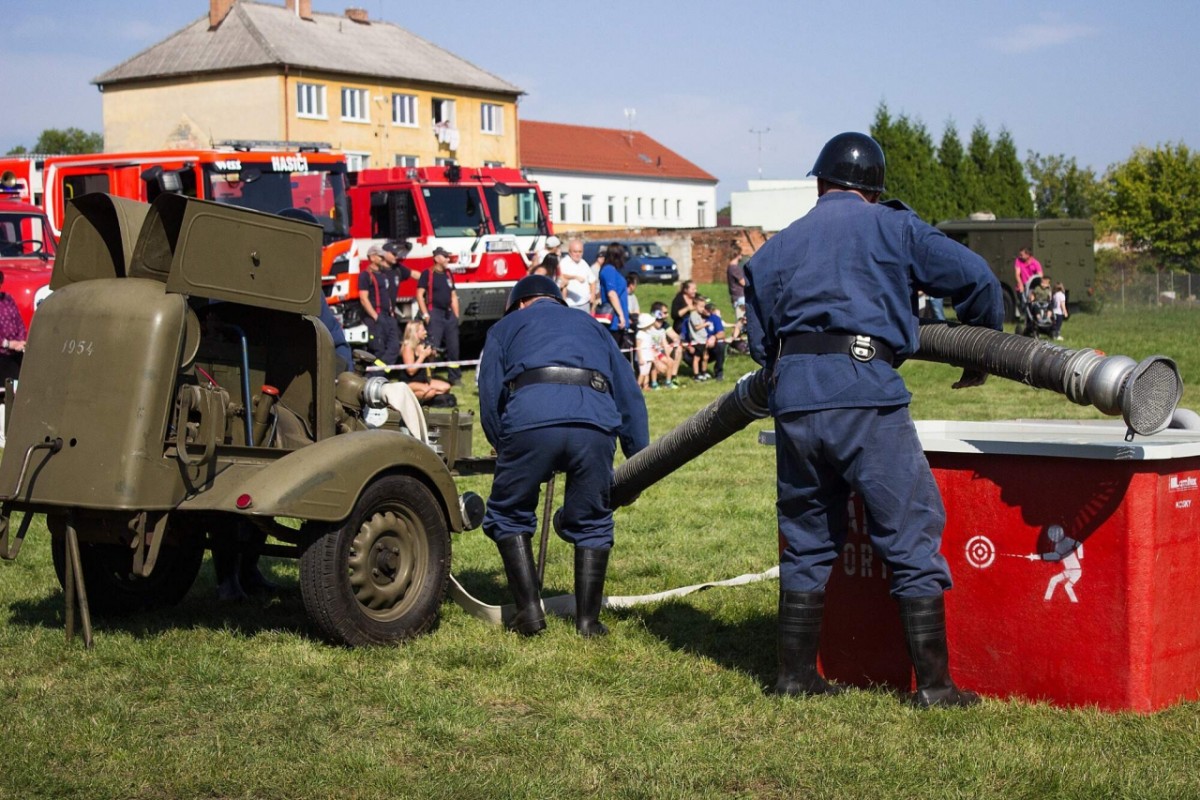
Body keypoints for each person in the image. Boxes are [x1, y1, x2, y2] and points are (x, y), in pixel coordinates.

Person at [745, 131, 1003, 708]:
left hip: (795, 397)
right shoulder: (894, 226)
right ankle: (934, 687)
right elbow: (978, 280)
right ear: (875, 188)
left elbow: (761, 339)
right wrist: (984, 350)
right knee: (909, 531)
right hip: (865, 394)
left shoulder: (777, 247)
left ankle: (794, 677)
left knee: (807, 536)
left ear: (820, 182)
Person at [478, 274, 649, 637]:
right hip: (595, 421)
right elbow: (630, 394)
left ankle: (529, 614)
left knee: (508, 513)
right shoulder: (593, 324)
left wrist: (504, 443)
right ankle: (588, 622)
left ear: (520, 304)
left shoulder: (506, 326)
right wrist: (638, 462)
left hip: (530, 417)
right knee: (592, 520)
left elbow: (490, 394)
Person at [416, 246, 461, 385]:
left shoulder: (448, 274)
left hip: (448, 314)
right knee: (432, 347)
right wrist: (425, 314)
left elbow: (453, 295)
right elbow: (419, 295)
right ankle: (429, 376)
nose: (448, 259)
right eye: (445, 256)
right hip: (434, 313)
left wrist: (456, 315)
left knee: (454, 347)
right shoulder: (427, 274)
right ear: (436, 258)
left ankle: (455, 377)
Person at [359, 244, 400, 370]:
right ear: (372, 257)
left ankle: (378, 371)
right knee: (379, 348)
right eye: (380, 256)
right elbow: (363, 298)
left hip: (388, 315)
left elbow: (386, 294)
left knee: (394, 346)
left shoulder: (383, 274)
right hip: (376, 317)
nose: (383, 259)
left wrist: (391, 312)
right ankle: (375, 375)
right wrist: (375, 317)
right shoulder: (365, 276)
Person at [398, 317, 454, 402]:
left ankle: (426, 398)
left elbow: (429, 368)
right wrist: (423, 356)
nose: (426, 332)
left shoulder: (422, 345)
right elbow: (411, 371)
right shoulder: (407, 348)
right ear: (415, 333)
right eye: (423, 330)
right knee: (429, 391)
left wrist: (431, 356)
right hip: (409, 382)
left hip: (423, 379)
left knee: (446, 387)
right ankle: (406, 400)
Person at [598, 243, 632, 351]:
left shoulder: (613, 270)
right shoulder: (608, 270)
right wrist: (621, 315)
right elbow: (611, 294)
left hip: (619, 317)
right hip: (614, 320)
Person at [0, 272, 28, 387]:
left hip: (16, 351)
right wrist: (7, 344)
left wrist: (20, 341)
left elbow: (19, 321)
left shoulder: (7, 299)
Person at [558, 238, 596, 312]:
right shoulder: (564, 263)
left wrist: (593, 295)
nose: (578, 254)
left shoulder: (583, 263)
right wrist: (574, 277)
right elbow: (561, 276)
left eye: (580, 252)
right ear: (569, 252)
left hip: (585, 303)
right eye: (575, 252)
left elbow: (592, 280)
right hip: (571, 305)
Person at [727, 247, 749, 351]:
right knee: (741, 322)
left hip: (738, 297)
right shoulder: (734, 267)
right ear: (737, 254)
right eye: (740, 254)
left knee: (742, 321)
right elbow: (743, 282)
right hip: (740, 297)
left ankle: (739, 344)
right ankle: (735, 344)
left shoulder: (731, 267)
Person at [703, 302, 727, 381]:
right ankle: (700, 373)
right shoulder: (694, 318)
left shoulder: (715, 318)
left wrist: (714, 337)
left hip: (712, 344)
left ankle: (719, 372)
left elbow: (722, 334)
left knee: (721, 346)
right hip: (698, 344)